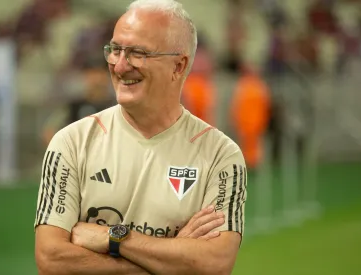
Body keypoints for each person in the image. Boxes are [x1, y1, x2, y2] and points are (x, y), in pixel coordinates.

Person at [34, 0, 248, 274]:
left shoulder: (220, 155)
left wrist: (112, 238)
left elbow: (214, 263)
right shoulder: (71, 143)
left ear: (178, 66)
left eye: (137, 53)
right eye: (115, 50)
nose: (120, 66)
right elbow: (51, 258)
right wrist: (169, 260)